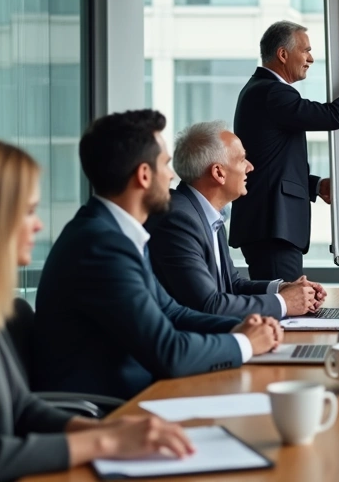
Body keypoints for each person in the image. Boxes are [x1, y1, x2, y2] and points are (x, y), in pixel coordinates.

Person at [0, 135, 195, 482]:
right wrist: (107, 440)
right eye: (27, 211)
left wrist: (109, 427)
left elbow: (20, 407)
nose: (38, 225)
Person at [32, 110, 282, 399]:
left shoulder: (115, 232)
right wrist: (245, 343)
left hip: (141, 392)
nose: (172, 174)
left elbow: (172, 312)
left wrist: (241, 326)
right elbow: (169, 352)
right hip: (112, 409)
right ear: (144, 175)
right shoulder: (101, 245)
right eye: (164, 164)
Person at [231, 20, 339, 282]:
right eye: (305, 50)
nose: (311, 58)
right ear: (283, 54)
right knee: (285, 313)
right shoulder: (273, 92)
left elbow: (270, 165)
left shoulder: (261, 91)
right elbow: (332, 117)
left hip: (271, 227)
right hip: (272, 228)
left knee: (288, 307)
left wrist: (316, 186)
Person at [147, 121, 326, 318]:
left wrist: (283, 288)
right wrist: (285, 303)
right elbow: (209, 305)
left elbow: (232, 285)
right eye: (242, 160)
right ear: (218, 173)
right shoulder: (178, 220)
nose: (250, 167)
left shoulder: (207, 214)